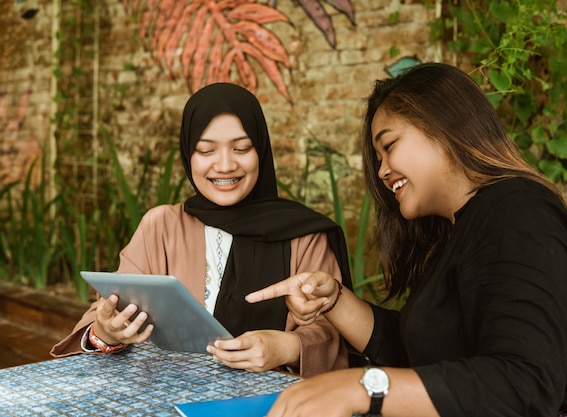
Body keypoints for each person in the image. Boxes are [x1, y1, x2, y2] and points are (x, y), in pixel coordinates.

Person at [246, 63, 567, 416]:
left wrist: (358, 387)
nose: (382, 170)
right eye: (377, 157)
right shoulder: (457, 231)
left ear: (445, 126)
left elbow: (522, 386)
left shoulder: (519, 212)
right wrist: (335, 301)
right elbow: (420, 363)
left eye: (388, 146)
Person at [50, 83, 353, 377]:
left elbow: (333, 331)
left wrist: (288, 347)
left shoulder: (303, 234)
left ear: (260, 148)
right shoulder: (162, 227)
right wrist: (107, 329)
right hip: (167, 397)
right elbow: (107, 311)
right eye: (206, 151)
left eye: (241, 148)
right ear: (187, 154)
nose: (224, 165)